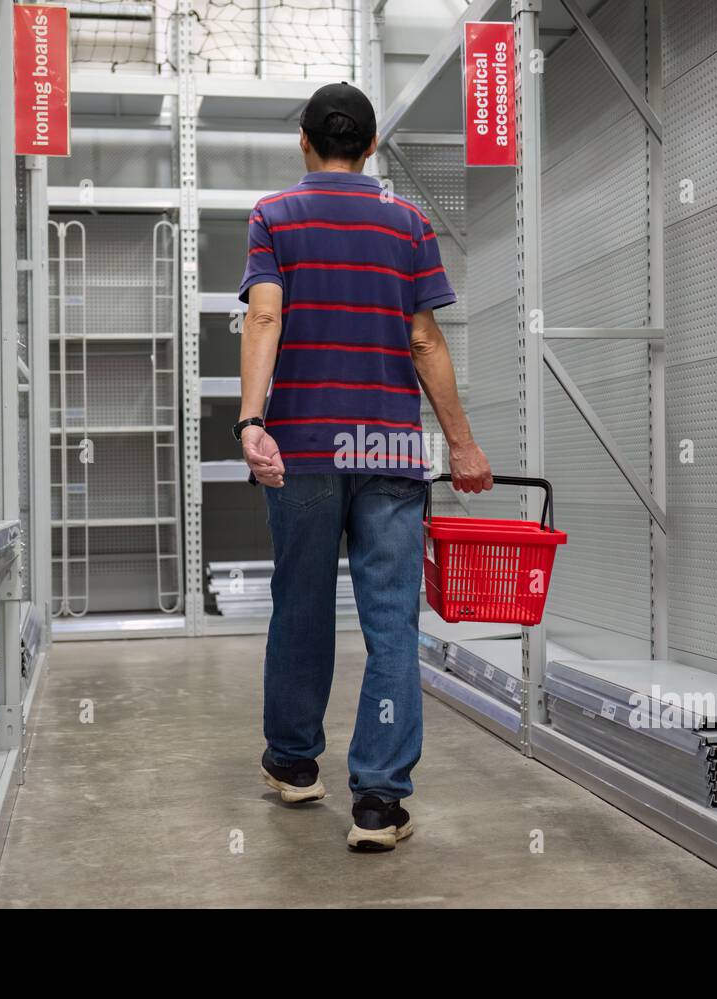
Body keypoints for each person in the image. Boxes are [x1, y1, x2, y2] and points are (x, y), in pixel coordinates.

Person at [236, 81, 492, 851]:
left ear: (305, 143)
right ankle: (378, 800)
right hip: (387, 451)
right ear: (372, 146)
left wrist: (253, 419)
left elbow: (264, 313)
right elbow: (423, 340)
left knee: (302, 605)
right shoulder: (409, 225)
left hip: (305, 447)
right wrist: (465, 442)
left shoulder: (273, 216)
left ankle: (294, 761)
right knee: (390, 623)